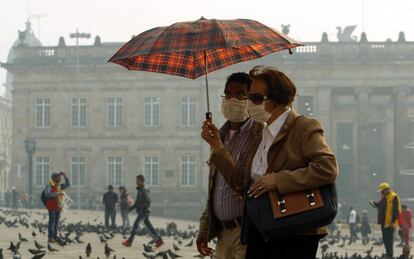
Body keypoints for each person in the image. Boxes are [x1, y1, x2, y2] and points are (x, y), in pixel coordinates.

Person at [206, 66, 338, 259]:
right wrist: (217, 147)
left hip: (295, 228)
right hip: (262, 227)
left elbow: (327, 168)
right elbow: (240, 181)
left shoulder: (303, 126)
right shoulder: (261, 134)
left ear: (277, 100)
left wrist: (279, 180)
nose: (249, 103)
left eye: (256, 98)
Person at [198, 72, 256, 259]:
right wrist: (205, 227)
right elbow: (215, 187)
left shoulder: (258, 135)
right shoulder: (221, 134)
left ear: (251, 99)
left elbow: (241, 183)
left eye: (240, 95)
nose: (232, 100)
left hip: (246, 233)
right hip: (222, 233)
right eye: (228, 94)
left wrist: (217, 147)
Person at [122, 175, 163, 248]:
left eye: (137, 181)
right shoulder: (140, 190)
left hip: (144, 211)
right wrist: (130, 209)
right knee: (149, 226)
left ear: (141, 181)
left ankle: (129, 241)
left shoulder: (144, 190)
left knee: (136, 224)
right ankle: (159, 240)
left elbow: (148, 201)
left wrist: (142, 208)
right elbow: (137, 202)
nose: (136, 182)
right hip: (143, 211)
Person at [370, 182, 401, 259]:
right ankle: (388, 253)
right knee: (385, 239)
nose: (381, 192)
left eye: (382, 191)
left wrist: (392, 222)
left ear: (386, 190)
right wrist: (373, 203)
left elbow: (396, 211)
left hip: (390, 223)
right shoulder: (384, 198)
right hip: (383, 223)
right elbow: (378, 205)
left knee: (389, 239)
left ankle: (390, 255)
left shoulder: (394, 197)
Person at [44, 171, 70, 243]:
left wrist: (65, 176)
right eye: (58, 177)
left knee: (56, 223)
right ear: (54, 178)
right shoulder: (49, 186)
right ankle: (50, 237)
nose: (60, 178)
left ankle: (55, 236)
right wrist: (58, 193)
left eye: (60, 177)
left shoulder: (59, 186)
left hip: (58, 206)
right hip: (52, 206)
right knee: (52, 222)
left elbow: (68, 184)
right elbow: (47, 194)